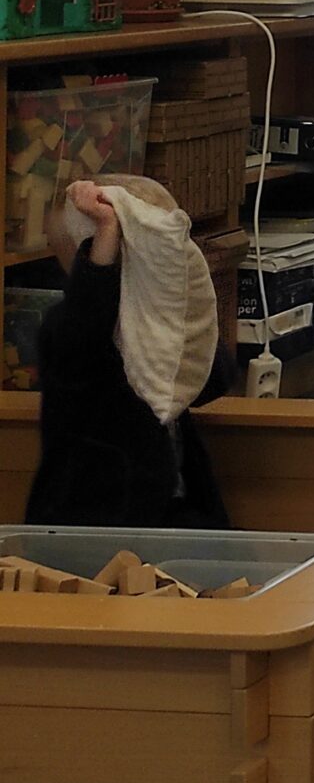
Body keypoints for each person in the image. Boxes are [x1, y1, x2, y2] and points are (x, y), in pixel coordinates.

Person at [26, 176, 230, 528]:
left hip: (175, 509)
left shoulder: (161, 326)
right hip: (96, 517)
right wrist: (106, 233)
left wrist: (184, 298)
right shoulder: (67, 327)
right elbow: (85, 330)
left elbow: (213, 378)